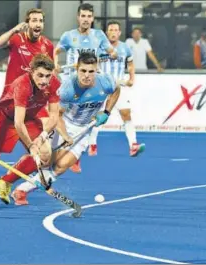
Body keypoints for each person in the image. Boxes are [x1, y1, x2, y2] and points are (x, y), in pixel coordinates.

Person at [11, 51, 120, 205]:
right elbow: (57, 115)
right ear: (77, 69)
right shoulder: (68, 89)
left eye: (91, 71)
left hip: (84, 131)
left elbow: (117, 90)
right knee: (45, 161)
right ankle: (10, 177)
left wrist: (107, 112)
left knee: (61, 166)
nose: (87, 75)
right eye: (83, 71)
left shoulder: (106, 82)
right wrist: (65, 135)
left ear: (97, 70)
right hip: (65, 125)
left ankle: (21, 190)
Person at [0, 54, 60, 208]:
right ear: (31, 72)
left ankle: (5, 182)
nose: (44, 81)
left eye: (48, 76)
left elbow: (54, 117)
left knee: (45, 154)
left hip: (28, 119)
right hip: (3, 120)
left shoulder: (53, 84)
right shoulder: (22, 85)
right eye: (40, 75)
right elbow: (18, 123)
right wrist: (32, 145)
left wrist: (42, 137)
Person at [0, 8, 55, 192]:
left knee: (44, 148)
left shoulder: (47, 45)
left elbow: (50, 70)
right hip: (11, 100)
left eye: (40, 21)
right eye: (34, 20)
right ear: (27, 22)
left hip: (33, 100)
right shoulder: (17, 39)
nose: (38, 24)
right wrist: (14, 29)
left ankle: (10, 178)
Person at [54, 2, 116, 173]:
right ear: (78, 17)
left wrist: (111, 54)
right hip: (71, 83)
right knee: (62, 117)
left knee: (86, 118)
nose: (86, 19)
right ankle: (58, 148)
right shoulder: (68, 36)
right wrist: (56, 64)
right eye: (83, 16)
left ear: (93, 18)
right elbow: (57, 51)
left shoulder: (99, 35)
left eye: (89, 16)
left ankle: (75, 154)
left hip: (90, 82)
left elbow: (111, 51)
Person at [88, 21, 145, 157]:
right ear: (107, 32)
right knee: (98, 117)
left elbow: (130, 64)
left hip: (119, 88)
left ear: (119, 33)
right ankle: (92, 144)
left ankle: (133, 145)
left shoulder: (125, 48)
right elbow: (92, 66)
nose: (113, 32)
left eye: (116, 30)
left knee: (126, 114)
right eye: (111, 30)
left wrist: (131, 78)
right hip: (102, 88)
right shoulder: (99, 48)